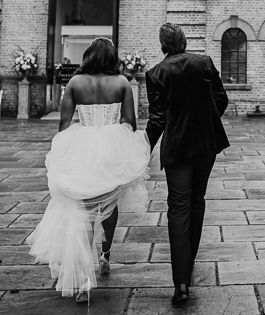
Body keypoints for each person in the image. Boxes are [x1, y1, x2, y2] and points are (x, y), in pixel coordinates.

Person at [27, 37, 150, 303]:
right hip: (112, 148)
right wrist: (125, 148)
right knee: (109, 202)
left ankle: (82, 280)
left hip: (82, 147)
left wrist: (63, 150)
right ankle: (105, 256)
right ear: (110, 58)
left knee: (82, 209)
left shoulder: (75, 83)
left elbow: (63, 121)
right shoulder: (121, 83)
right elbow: (130, 120)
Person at [145, 23, 229, 306]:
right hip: (206, 144)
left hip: (178, 148)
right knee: (197, 201)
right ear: (183, 40)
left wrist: (143, 147)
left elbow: (157, 118)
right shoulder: (204, 62)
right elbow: (221, 98)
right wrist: (206, 120)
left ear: (163, 44)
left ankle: (181, 281)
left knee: (178, 207)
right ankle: (188, 264)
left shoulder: (156, 73)